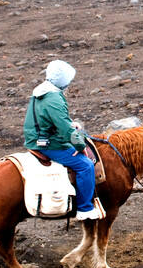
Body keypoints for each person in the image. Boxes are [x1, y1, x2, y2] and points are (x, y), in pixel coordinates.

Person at [24, 60, 105, 221]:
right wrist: (80, 145)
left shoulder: (40, 92)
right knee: (85, 165)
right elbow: (65, 130)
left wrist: (70, 123)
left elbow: (55, 120)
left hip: (38, 138)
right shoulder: (54, 98)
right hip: (49, 144)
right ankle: (84, 208)